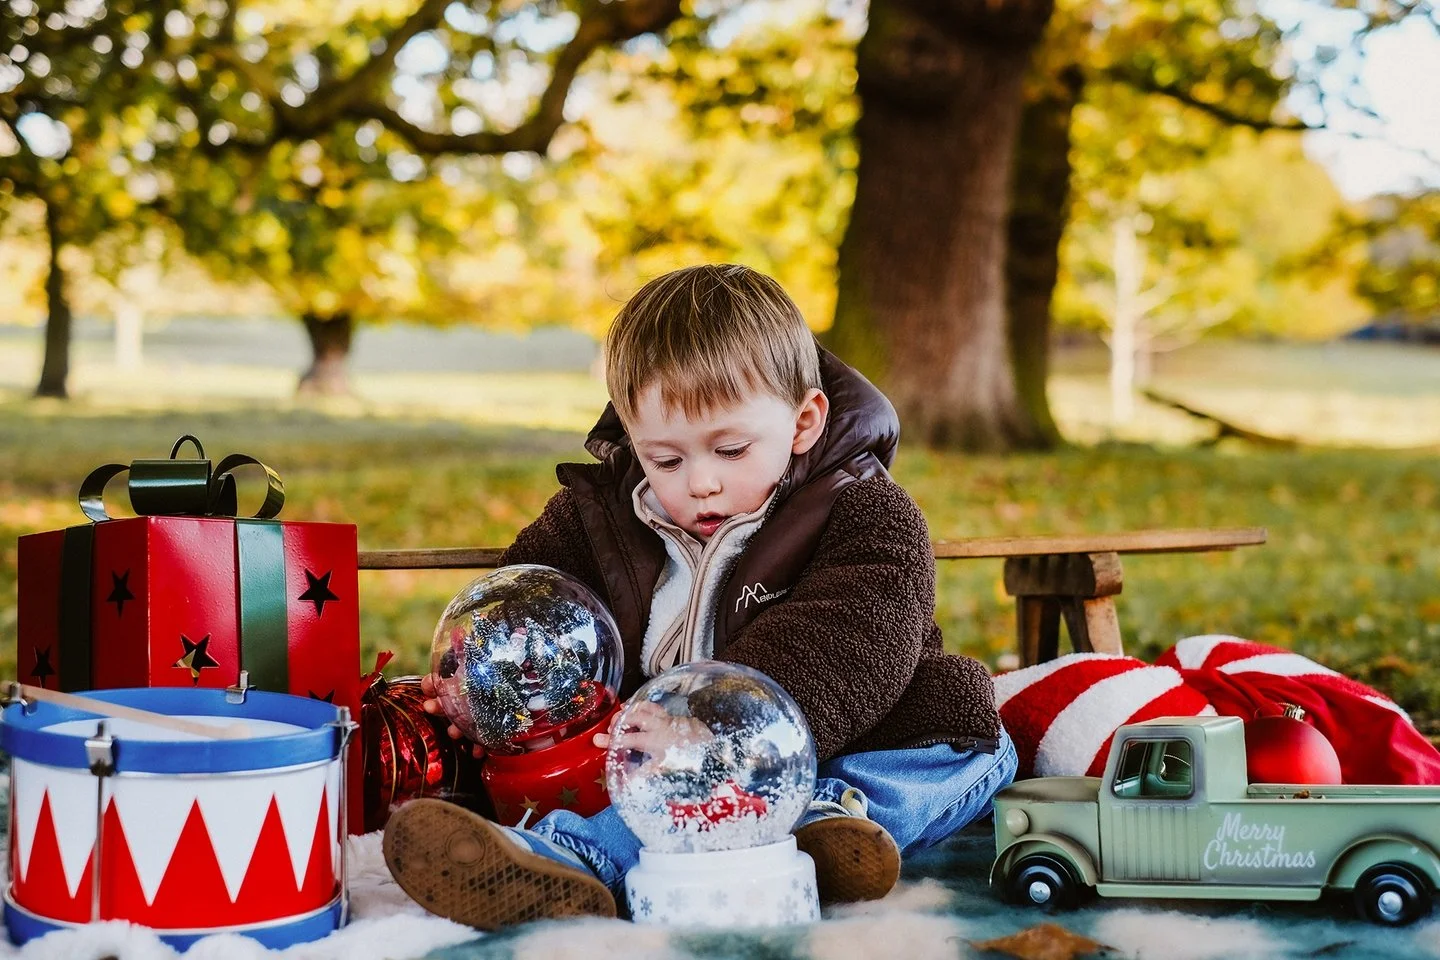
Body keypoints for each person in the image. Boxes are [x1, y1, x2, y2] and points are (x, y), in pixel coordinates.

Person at [383, 264, 1017, 929]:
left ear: (804, 422)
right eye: (666, 459)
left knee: (932, 766)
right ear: (634, 440)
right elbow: (527, 606)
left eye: (731, 449)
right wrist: (486, 697)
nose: (702, 482)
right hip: (675, 760)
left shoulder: (866, 513)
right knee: (666, 793)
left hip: (885, 730)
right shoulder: (597, 516)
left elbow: (856, 644)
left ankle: (823, 824)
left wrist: (716, 730)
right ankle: (570, 863)